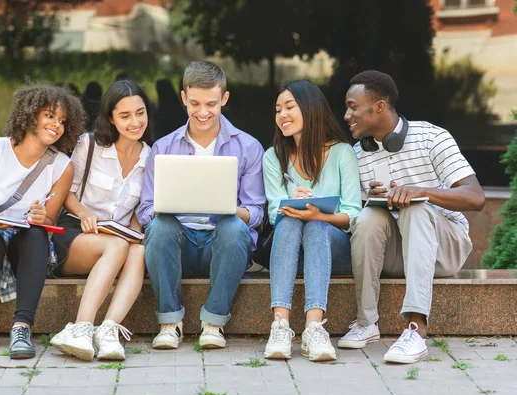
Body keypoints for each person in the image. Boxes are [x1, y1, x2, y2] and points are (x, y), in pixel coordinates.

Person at [338, 70, 485, 363]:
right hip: (396, 253)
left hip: (444, 250)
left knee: (415, 209)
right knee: (367, 218)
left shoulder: (433, 137)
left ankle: (416, 331)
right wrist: (373, 198)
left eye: (353, 106)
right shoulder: (357, 154)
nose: (346, 115)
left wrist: (420, 192)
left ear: (379, 106)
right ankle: (366, 324)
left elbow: (476, 197)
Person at [0, 84, 84, 359]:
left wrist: (39, 216)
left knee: (36, 235)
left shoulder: (62, 165)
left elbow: (49, 218)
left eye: (62, 121)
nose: (56, 125)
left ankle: (22, 327)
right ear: (31, 114)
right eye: (49, 116)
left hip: (21, 240)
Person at [137, 61, 266, 350]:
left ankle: (214, 325)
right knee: (160, 226)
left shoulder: (248, 147)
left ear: (224, 99)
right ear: (184, 98)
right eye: (195, 103)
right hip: (177, 245)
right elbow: (145, 210)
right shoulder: (164, 148)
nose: (203, 112)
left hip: (222, 245)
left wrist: (228, 209)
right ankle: (169, 325)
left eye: (211, 103)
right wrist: (164, 207)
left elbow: (256, 213)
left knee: (234, 226)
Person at [49, 80, 152, 361]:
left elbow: (138, 210)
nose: (135, 121)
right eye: (125, 115)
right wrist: (85, 214)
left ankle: (108, 330)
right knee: (118, 246)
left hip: (115, 237)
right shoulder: (89, 144)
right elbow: (66, 193)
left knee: (138, 250)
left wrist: (135, 231)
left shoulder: (150, 157)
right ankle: (81, 328)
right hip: (75, 232)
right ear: (110, 118)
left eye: (140, 113)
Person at [262, 80, 362, 361]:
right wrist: (289, 202)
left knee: (316, 225)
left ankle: (314, 328)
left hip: (333, 248)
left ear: (310, 108)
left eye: (290, 107)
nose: (282, 115)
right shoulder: (273, 157)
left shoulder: (342, 153)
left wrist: (319, 214)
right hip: (289, 248)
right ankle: (280, 325)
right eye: (278, 109)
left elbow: (354, 214)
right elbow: (273, 214)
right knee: (289, 220)